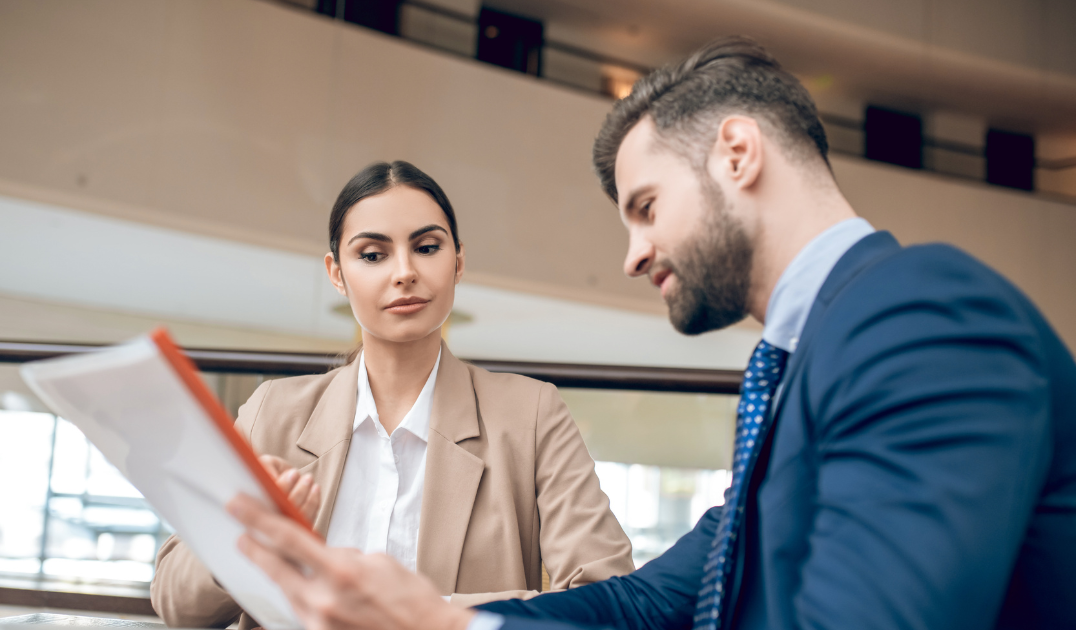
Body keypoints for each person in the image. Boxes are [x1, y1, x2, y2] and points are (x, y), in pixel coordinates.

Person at [223, 37, 1076, 630]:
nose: (631, 256)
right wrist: (428, 616)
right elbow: (643, 606)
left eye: (645, 209)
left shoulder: (918, 315)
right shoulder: (806, 361)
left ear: (737, 154)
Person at [151, 161, 635, 629]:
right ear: (337, 273)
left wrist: (427, 613)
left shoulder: (530, 414)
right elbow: (176, 601)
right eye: (372, 255)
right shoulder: (272, 412)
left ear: (458, 261)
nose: (404, 271)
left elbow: (606, 598)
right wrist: (250, 530)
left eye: (426, 247)